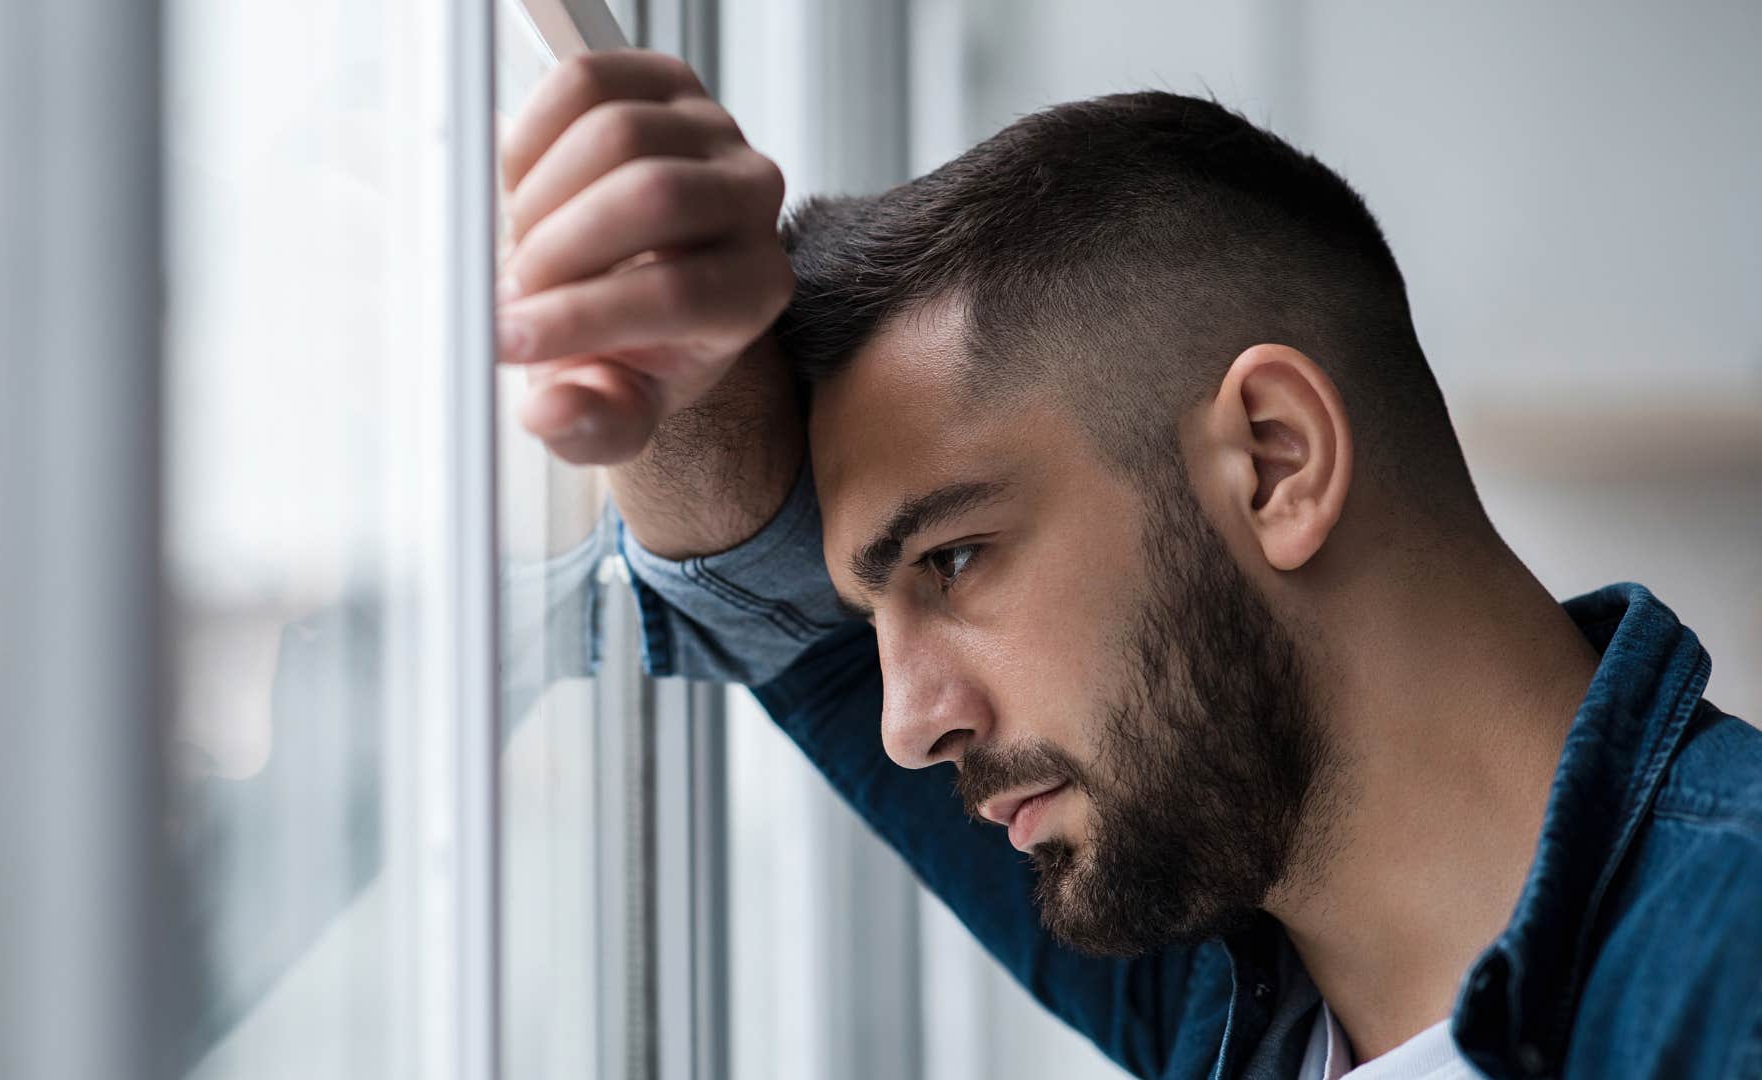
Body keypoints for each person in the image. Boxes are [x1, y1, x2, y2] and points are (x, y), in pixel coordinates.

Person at [497, 50, 1762, 1080]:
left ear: (1273, 462)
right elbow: (768, 602)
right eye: (872, 607)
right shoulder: (1232, 969)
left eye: (953, 559)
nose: (903, 726)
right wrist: (681, 378)